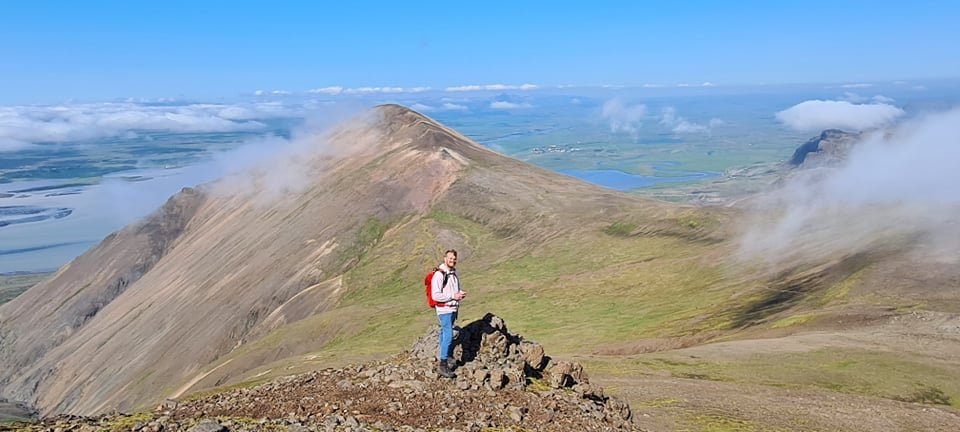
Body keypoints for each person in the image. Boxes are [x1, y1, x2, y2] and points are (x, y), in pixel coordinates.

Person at [432, 249, 465, 378]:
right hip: (444, 310)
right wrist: (453, 296)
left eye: (454, 259)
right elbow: (436, 295)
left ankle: (444, 355)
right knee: (448, 335)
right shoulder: (439, 275)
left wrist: (458, 294)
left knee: (444, 332)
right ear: (445, 258)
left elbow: (451, 290)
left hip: (452, 309)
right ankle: (443, 365)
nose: (452, 261)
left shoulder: (452, 273)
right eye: (450, 258)